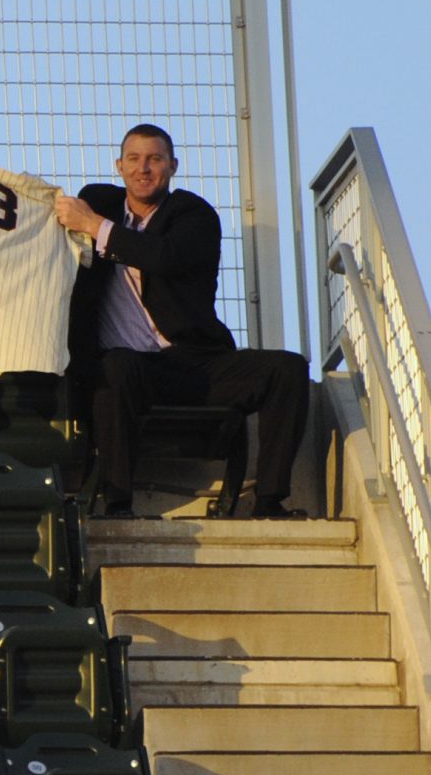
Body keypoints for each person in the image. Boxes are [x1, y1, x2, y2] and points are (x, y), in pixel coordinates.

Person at [38, 124, 309, 518]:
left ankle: (269, 501)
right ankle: (117, 505)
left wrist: (95, 227)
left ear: (172, 166)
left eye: (155, 159)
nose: (143, 168)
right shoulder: (97, 202)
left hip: (194, 363)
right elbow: (28, 206)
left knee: (287, 368)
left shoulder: (194, 216)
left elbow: (162, 256)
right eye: (133, 158)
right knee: (115, 366)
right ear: (119, 165)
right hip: (130, 369)